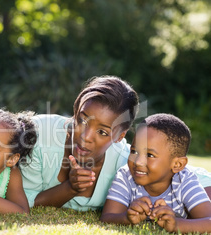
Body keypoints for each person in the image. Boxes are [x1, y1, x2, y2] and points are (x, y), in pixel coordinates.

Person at [20, 75, 211, 212]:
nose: (86, 136)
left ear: (120, 137)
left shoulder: (125, 162)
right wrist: (70, 187)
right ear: (75, 110)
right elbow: (22, 202)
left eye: (102, 132)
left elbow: (197, 179)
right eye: (82, 120)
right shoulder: (39, 136)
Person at [100, 114, 211, 233]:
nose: (138, 162)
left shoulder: (185, 181)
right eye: (134, 151)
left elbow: (208, 221)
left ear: (177, 165)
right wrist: (126, 218)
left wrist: (176, 225)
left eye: (150, 155)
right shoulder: (125, 175)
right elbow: (107, 217)